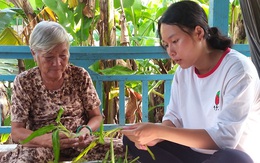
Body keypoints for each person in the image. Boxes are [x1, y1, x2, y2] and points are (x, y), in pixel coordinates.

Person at [122, 1, 260, 163]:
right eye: (166, 45)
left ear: (199, 33)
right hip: (193, 153)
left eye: (175, 41)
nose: (170, 52)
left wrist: (160, 131)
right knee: (131, 140)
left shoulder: (238, 70)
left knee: (234, 159)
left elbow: (225, 139)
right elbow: (174, 118)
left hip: (225, 156)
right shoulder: (183, 72)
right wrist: (153, 137)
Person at [0, 21, 123, 163]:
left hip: (78, 143)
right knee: (29, 159)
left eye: (63, 55)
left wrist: (86, 131)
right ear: (34, 53)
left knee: (126, 149)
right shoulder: (25, 81)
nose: (57, 63)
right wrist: (47, 140)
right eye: (49, 57)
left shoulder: (79, 75)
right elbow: (17, 132)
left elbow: (96, 117)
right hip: (42, 146)